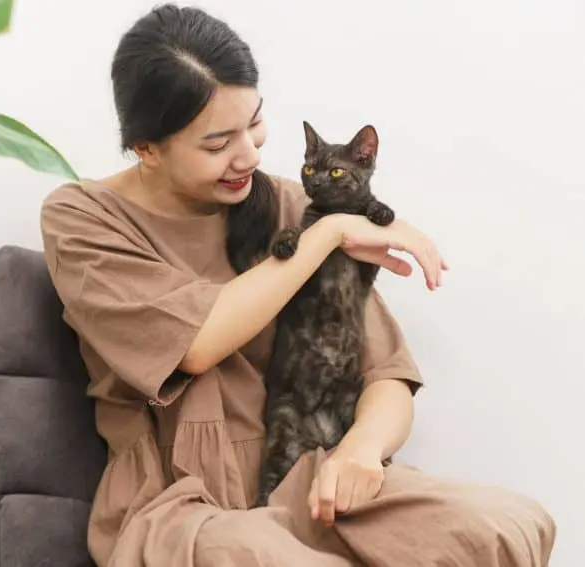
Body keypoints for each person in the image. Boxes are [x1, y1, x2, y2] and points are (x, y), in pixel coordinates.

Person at [39, 5, 556, 566]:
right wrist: (330, 230)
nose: (250, 155)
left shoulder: (289, 204)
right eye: (217, 143)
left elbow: (387, 375)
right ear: (146, 148)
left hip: (311, 473)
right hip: (182, 501)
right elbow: (197, 342)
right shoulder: (82, 218)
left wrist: (360, 451)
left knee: (507, 526)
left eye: (254, 123)